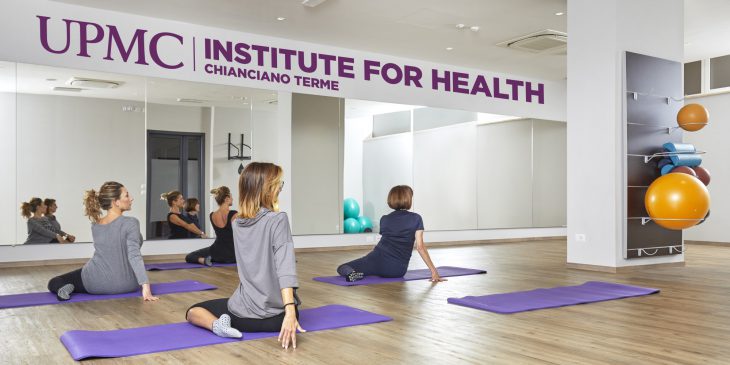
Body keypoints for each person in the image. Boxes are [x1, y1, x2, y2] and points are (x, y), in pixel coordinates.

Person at [186, 163, 304, 349]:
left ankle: (218, 326)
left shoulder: (238, 223)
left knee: (192, 311)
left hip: (241, 317)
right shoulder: (278, 219)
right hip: (276, 318)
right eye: (279, 183)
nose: (281, 188)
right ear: (266, 188)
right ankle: (223, 325)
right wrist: (290, 312)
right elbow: (285, 267)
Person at [46, 181, 158, 302]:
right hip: (128, 284)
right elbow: (134, 255)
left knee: (54, 281)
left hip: (95, 282)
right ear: (116, 202)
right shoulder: (132, 222)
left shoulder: (96, 225)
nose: (131, 198)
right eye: (126, 195)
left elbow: (130, 252)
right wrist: (145, 286)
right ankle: (69, 287)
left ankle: (66, 288)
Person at [336, 185, 445, 283]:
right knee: (372, 265)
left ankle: (354, 275)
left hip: (374, 261)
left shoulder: (385, 219)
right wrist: (434, 272)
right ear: (408, 199)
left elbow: (386, 241)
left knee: (342, 267)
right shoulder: (416, 218)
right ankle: (359, 273)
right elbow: (420, 247)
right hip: (396, 270)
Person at [185, 187, 237, 266]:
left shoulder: (212, 215)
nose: (232, 199)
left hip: (217, 253)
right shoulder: (234, 214)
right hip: (233, 255)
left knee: (190, 256)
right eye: (231, 196)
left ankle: (203, 260)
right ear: (227, 198)